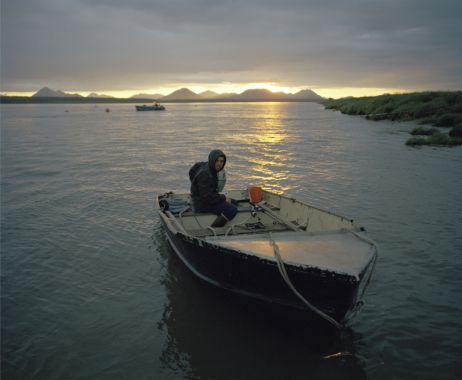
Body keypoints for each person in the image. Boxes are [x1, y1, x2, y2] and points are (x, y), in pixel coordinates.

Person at [190, 149, 237, 227]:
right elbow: (208, 198)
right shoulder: (206, 174)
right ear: (212, 160)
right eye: (217, 161)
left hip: (200, 199)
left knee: (233, 202)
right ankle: (214, 228)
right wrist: (224, 198)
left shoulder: (206, 165)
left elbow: (192, 170)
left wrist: (195, 186)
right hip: (201, 205)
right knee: (232, 209)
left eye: (221, 161)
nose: (219, 164)